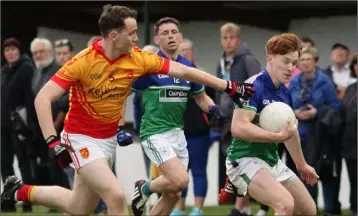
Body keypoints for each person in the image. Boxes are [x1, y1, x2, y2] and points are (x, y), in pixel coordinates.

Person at [0, 5, 254, 216]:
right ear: (113, 35)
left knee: (79, 207)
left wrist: (228, 86)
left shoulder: (137, 58)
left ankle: (20, 190)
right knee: (116, 195)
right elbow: (42, 99)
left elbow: (185, 71)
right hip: (80, 139)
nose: (135, 38)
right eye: (131, 33)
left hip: (107, 142)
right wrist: (52, 141)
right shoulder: (83, 61)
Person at [129, 17, 223, 216]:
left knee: (173, 194)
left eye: (173, 32)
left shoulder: (188, 67)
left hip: (178, 135)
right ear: (157, 39)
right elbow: (123, 92)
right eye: (165, 33)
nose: (170, 36)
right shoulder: (150, 66)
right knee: (181, 180)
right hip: (155, 133)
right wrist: (119, 126)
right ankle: (144, 187)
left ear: (180, 37)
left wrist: (213, 109)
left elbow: (201, 98)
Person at [223, 33, 319, 216]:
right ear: (270, 58)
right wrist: (276, 137)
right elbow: (239, 127)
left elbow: (289, 131)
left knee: (308, 211)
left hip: (271, 161)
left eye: (294, 63)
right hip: (243, 160)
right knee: (284, 205)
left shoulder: (284, 93)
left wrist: (301, 164)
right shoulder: (252, 87)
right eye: (286, 61)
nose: (291, 68)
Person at [288, 47, 340, 209]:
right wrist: (296, 113)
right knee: (303, 174)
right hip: (300, 135)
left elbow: (335, 107)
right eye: (302, 60)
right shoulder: (294, 82)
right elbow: (285, 105)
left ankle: (329, 209)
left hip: (321, 135)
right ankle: (309, 208)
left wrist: (316, 112)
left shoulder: (325, 81)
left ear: (315, 61)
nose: (305, 63)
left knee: (324, 173)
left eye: (308, 59)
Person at [170, 38, 217, 216]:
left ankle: (198, 208)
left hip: (199, 133)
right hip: (177, 132)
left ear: (193, 53)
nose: (184, 54)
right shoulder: (171, 74)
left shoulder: (202, 74)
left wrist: (213, 127)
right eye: (180, 51)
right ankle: (179, 208)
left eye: (187, 50)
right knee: (179, 173)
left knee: (198, 171)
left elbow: (212, 101)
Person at [341, 54, 357, 215]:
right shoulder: (351, 88)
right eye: (356, 64)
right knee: (355, 182)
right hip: (350, 145)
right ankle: (355, 210)